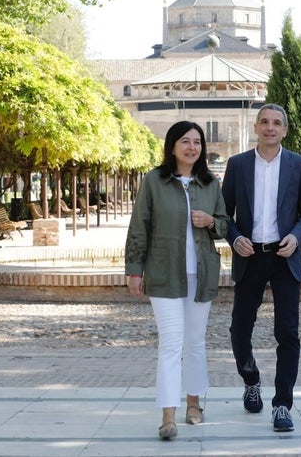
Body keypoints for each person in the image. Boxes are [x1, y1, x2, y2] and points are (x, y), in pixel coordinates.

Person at [125, 121, 229, 440]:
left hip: (201, 274)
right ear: (172, 146)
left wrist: (211, 221)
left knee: (195, 343)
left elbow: (224, 225)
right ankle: (167, 415)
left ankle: (194, 404)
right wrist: (134, 268)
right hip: (164, 273)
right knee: (171, 344)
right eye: (185, 141)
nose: (192, 147)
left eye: (197, 142)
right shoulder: (154, 181)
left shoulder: (210, 184)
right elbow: (139, 225)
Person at [222, 103, 301, 432]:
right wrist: (235, 239)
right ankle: (251, 380)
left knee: (287, 333)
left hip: (284, 257)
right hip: (249, 256)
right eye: (264, 122)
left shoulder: (298, 165)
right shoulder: (236, 165)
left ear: (285, 130)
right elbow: (225, 216)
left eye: (277, 123)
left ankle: (282, 404)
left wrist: (296, 235)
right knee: (239, 330)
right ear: (256, 127)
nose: (270, 127)